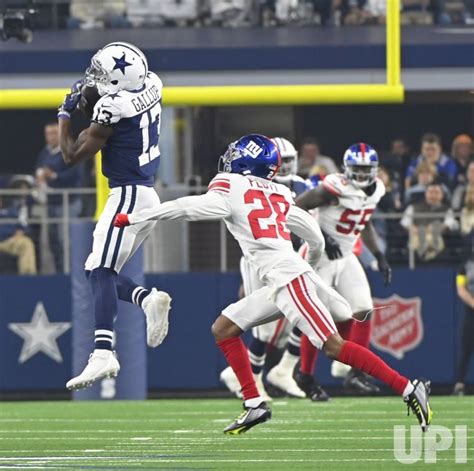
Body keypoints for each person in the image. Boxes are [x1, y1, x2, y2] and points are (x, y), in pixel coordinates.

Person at [115, 134, 432, 435]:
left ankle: (408, 387)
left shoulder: (229, 186)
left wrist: (138, 217)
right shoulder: (278, 192)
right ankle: (254, 402)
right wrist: (309, 264)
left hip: (287, 278)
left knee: (334, 346)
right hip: (287, 277)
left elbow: (186, 208)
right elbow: (313, 233)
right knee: (223, 328)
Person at [57, 42, 172, 391]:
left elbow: (71, 155)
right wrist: (92, 100)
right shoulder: (153, 82)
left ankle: (103, 352)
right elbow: (112, 116)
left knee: (102, 272)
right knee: (96, 272)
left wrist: (64, 115)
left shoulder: (113, 106)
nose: (95, 79)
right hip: (145, 193)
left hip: (127, 195)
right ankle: (147, 299)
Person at [219, 137, 328, 402]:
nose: (286, 166)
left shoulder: (302, 185)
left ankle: (281, 371)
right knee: (264, 329)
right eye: (283, 160)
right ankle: (251, 378)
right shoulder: (255, 184)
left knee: (307, 311)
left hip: (288, 258)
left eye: (290, 160)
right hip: (261, 259)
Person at [294, 143, 392, 395]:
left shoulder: (376, 189)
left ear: (374, 170)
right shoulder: (333, 187)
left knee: (363, 309)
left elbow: (364, 223)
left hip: (345, 255)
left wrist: (379, 254)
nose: (360, 174)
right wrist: (325, 235)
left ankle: (355, 374)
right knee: (317, 317)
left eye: (365, 169)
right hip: (319, 255)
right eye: (356, 168)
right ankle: (305, 375)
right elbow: (296, 207)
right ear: (347, 169)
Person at [35, 122, 84, 273]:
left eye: (54, 133)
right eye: (48, 134)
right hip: (51, 202)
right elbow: (39, 168)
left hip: (68, 202)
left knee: (66, 241)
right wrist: (40, 176)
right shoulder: (46, 152)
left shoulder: (70, 150)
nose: (50, 137)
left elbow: (76, 175)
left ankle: (71, 274)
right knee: (53, 241)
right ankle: (59, 273)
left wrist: (54, 176)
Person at [401, 183, 458, 262]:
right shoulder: (413, 207)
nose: (433, 195)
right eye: (431, 192)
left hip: (437, 239)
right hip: (417, 237)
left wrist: (434, 229)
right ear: (426, 194)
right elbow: (405, 222)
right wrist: (412, 228)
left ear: (442, 195)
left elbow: (450, 223)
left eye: (437, 193)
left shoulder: (447, 210)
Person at [453, 255, 474, 395]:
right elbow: (461, 289)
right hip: (471, 311)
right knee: (466, 347)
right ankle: (459, 384)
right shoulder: (466, 266)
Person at [0, 195, 36, 275]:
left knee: (26, 243)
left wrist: (21, 231)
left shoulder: (11, 212)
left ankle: (27, 276)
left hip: (10, 241)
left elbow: (24, 227)